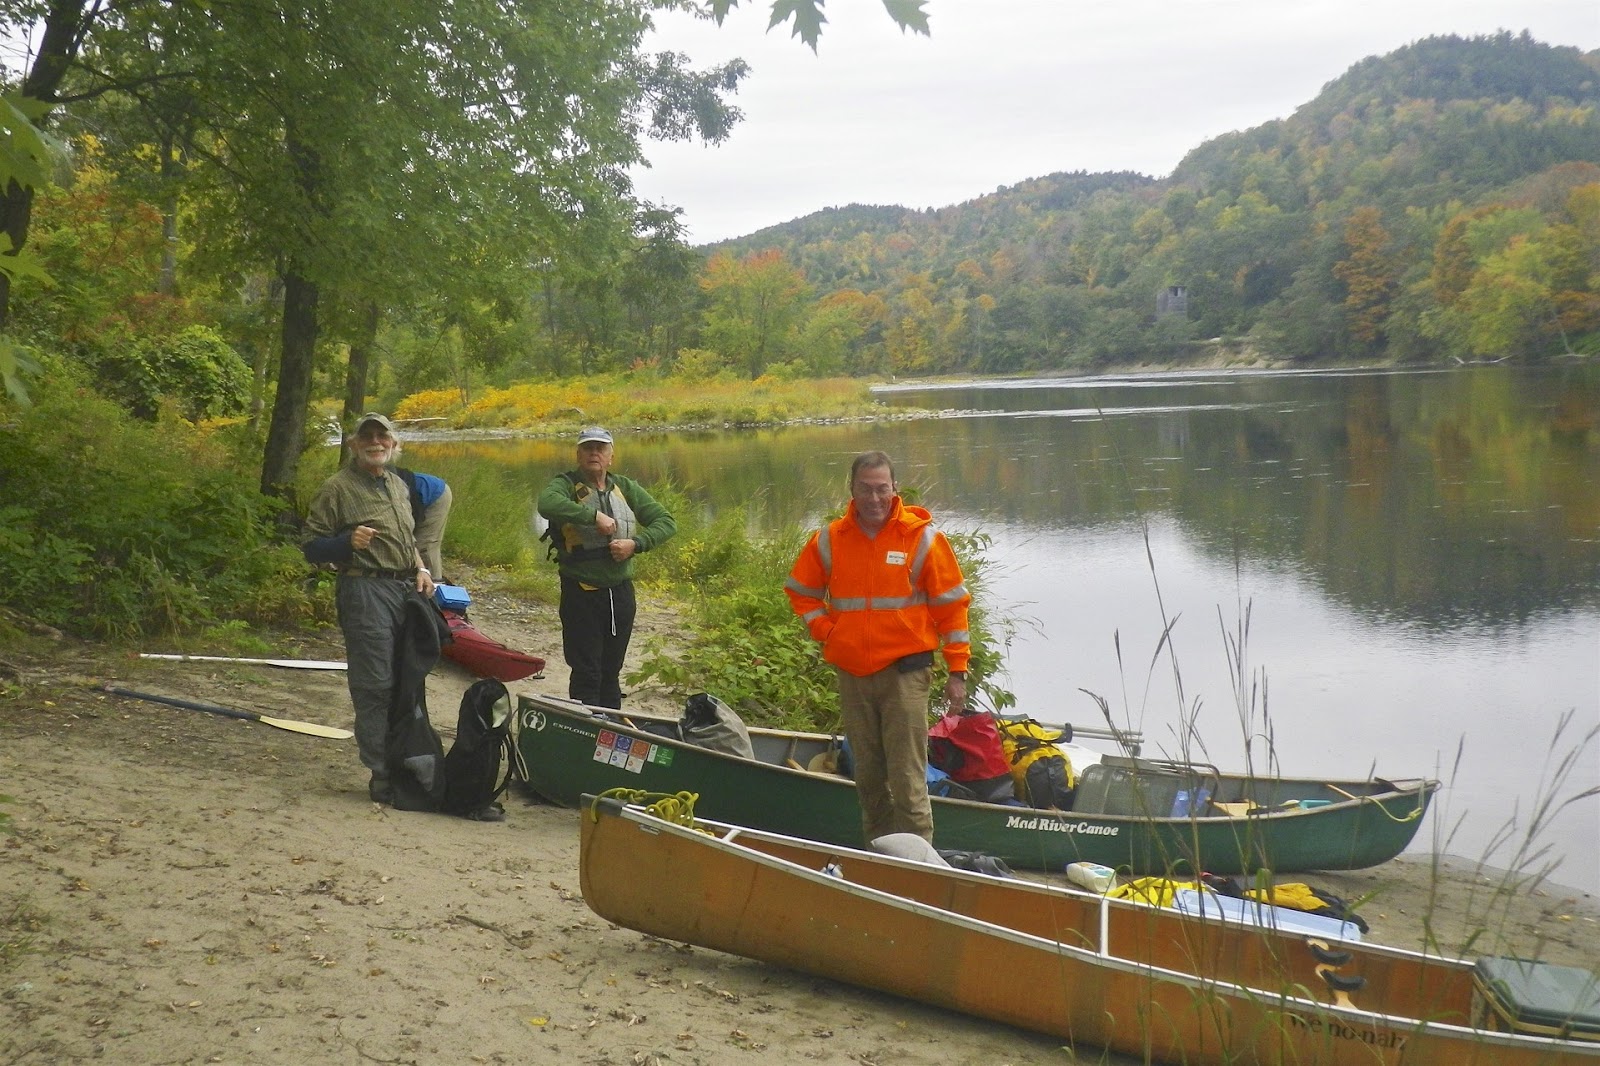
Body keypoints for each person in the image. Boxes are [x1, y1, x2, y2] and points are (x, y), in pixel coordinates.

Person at [785, 451, 971, 845]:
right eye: (865, 489)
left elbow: (952, 607)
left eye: (881, 489)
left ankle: (917, 866)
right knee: (868, 778)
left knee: (907, 780)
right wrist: (827, 632)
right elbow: (801, 593)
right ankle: (880, 857)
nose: (874, 498)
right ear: (851, 489)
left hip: (906, 674)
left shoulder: (922, 538)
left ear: (894, 488)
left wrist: (958, 671)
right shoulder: (830, 539)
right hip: (853, 674)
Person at [302, 412, 437, 803]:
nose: (375, 442)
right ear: (353, 444)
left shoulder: (397, 483)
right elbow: (311, 545)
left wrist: (422, 568)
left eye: (383, 436)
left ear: (394, 444)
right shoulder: (337, 487)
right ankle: (380, 772)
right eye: (367, 437)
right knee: (375, 683)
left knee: (407, 677)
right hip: (365, 591)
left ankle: (405, 761)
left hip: (405, 590)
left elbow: (407, 538)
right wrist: (347, 542)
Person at [537, 427, 676, 710]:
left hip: (620, 593)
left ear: (611, 456)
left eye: (600, 448)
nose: (594, 453)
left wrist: (635, 544)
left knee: (612, 671)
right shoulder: (564, 484)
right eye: (587, 448)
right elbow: (546, 504)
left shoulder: (625, 487)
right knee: (587, 670)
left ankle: (610, 726)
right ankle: (584, 727)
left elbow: (666, 522)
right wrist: (593, 515)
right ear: (578, 455)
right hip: (581, 592)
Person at [393, 459, 452, 581]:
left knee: (424, 547)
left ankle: (434, 586)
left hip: (435, 495)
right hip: (418, 496)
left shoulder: (390, 481)